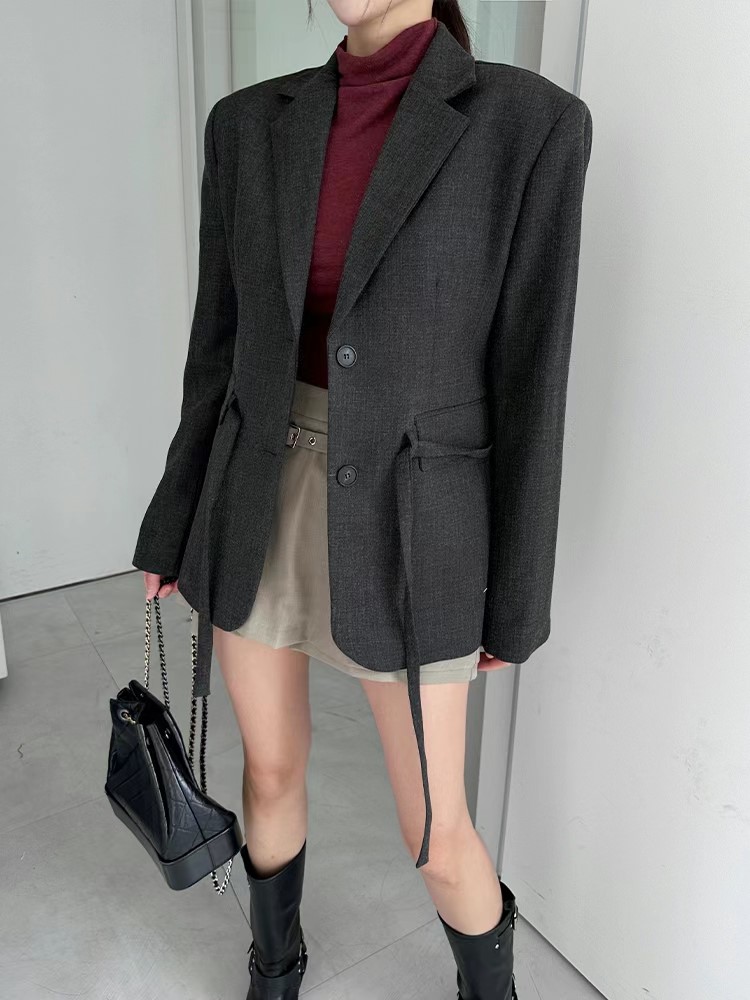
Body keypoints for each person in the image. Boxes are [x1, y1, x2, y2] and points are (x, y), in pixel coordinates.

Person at [134, 2, 593, 997]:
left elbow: (533, 377)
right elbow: (218, 344)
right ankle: (276, 966)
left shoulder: (530, 124)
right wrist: (173, 520)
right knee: (268, 771)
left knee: (435, 829)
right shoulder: (248, 125)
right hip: (255, 488)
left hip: (414, 518)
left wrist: (516, 598)